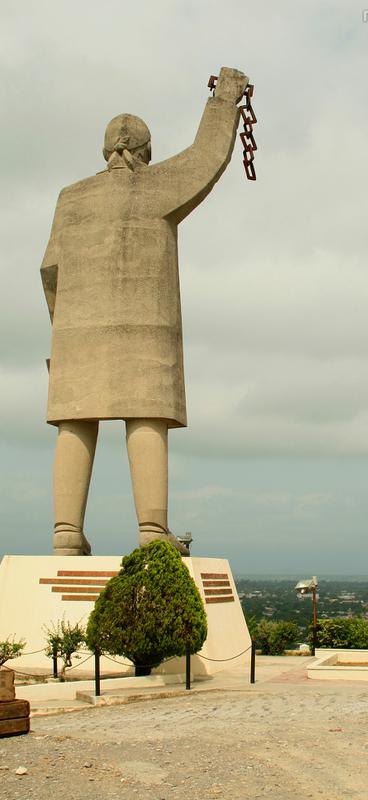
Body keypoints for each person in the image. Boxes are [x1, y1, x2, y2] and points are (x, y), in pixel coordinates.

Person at [41, 67, 249, 556]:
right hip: (146, 332)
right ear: (145, 153)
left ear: (106, 150)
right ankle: (153, 532)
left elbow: (50, 268)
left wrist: (61, 334)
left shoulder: (71, 199)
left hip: (75, 333)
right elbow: (205, 158)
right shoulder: (155, 188)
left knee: (75, 420)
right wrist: (224, 100)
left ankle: (66, 532)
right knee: (146, 419)